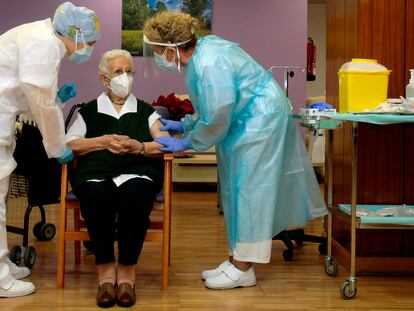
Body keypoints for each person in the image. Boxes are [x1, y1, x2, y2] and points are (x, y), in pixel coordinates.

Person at [143, 12, 328, 290]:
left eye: (159, 52)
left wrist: (189, 141)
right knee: (233, 188)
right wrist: (185, 124)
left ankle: (244, 268)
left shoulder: (209, 61)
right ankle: (235, 259)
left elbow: (218, 115)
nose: (158, 57)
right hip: (245, 121)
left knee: (250, 191)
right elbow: (209, 106)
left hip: (259, 121)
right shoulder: (201, 55)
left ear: (171, 48)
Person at [0, 1, 101, 298]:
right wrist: (58, 148)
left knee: (2, 203)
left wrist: (56, 98)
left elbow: (30, 96)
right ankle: (2, 280)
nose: (90, 48)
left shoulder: (38, 36)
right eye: (90, 41)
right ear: (75, 33)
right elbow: (41, 105)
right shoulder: (44, 45)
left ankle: (4, 264)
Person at [65, 49, 169, 308]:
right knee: (98, 198)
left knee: (134, 197)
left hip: (138, 171)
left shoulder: (146, 111)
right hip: (96, 173)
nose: (126, 77)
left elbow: (165, 143)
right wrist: (100, 141)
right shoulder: (88, 111)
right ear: (104, 79)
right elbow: (70, 143)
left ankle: (126, 275)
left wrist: (138, 146)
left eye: (130, 72)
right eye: (119, 72)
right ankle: (105, 276)